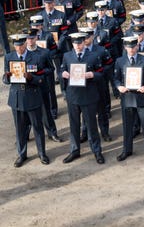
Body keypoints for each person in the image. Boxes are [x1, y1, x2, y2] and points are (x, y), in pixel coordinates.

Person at [4, 34, 50, 167]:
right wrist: (7, 77)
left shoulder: (35, 57)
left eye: (21, 45)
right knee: (20, 129)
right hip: (16, 98)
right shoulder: (9, 57)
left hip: (32, 96)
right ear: (14, 46)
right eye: (16, 46)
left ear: (25, 44)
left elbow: (41, 79)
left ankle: (42, 153)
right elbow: (5, 80)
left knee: (37, 127)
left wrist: (31, 78)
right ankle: (21, 154)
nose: (19, 48)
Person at [60, 32, 105, 164]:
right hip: (73, 95)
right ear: (72, 44)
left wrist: (92, 74)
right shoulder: (67, 56)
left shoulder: (93, 55)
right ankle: (74, 150)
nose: (78, 46)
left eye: (80, 43)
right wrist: (63, 73)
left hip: (88, 95)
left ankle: (96, 150)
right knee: (74, 125)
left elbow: (101, 72)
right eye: (75, 43)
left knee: (91, 125)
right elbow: (62, 70)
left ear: (84, 42)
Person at [113, 36, 144, 161]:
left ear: (137, 46)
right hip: (127, 97)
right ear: (125, 47)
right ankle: (126, 150)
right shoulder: (120, 61)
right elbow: (115, 78)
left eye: (133, 46)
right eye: (129, 47)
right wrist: (119, 86)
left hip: (142, 96)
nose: (131, 49)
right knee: (127, 126)